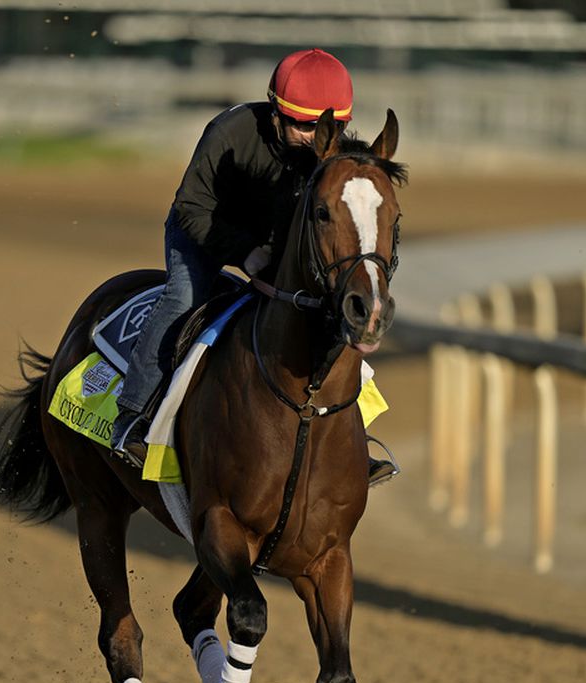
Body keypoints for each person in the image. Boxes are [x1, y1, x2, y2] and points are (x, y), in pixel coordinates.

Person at [112, 48, 398, 487]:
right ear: (275, 113)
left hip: (274, 244)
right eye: (301, 125)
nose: (312, 137)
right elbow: (192, 207)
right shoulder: (230, 132)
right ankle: (133, 415)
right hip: (204, 229)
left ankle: (355, 436)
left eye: (325, 126)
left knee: (329, 314)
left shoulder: (330, 155)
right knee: (185, 297)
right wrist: (245, 253)